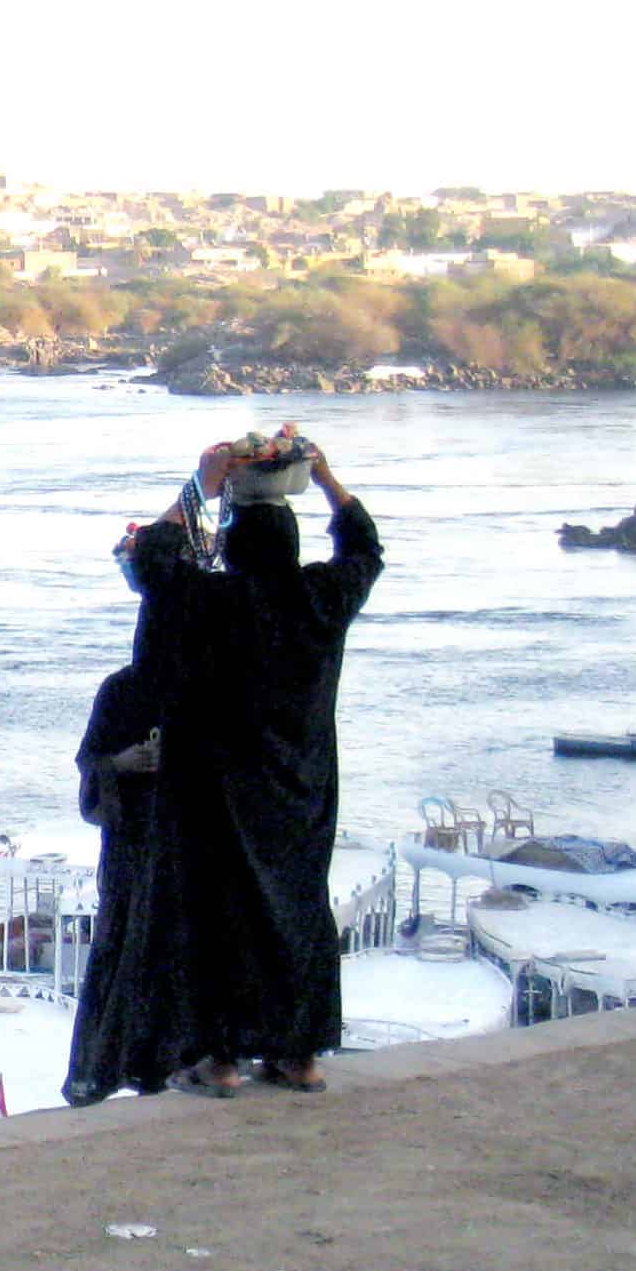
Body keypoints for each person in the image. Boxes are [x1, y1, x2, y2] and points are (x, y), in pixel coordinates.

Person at [128, 442, 383, 1098]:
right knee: (298, 911)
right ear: (293, 543)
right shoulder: (323, 600)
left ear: (234, 548)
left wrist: (199, 484)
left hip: (216, 789)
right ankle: (298, 1055)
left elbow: (154, 558)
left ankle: (219, 1060)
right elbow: (364, 550)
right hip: (301, 789)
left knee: (216, 915)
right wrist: (324, 474)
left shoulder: (208, 602)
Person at [58, 655, 170, 1106]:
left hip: (181, 840)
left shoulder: (203, 680)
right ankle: (109, 1065)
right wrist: (121, 764)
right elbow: (90, 757)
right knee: (122, 946)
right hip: (131, 844)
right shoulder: (122, 688)